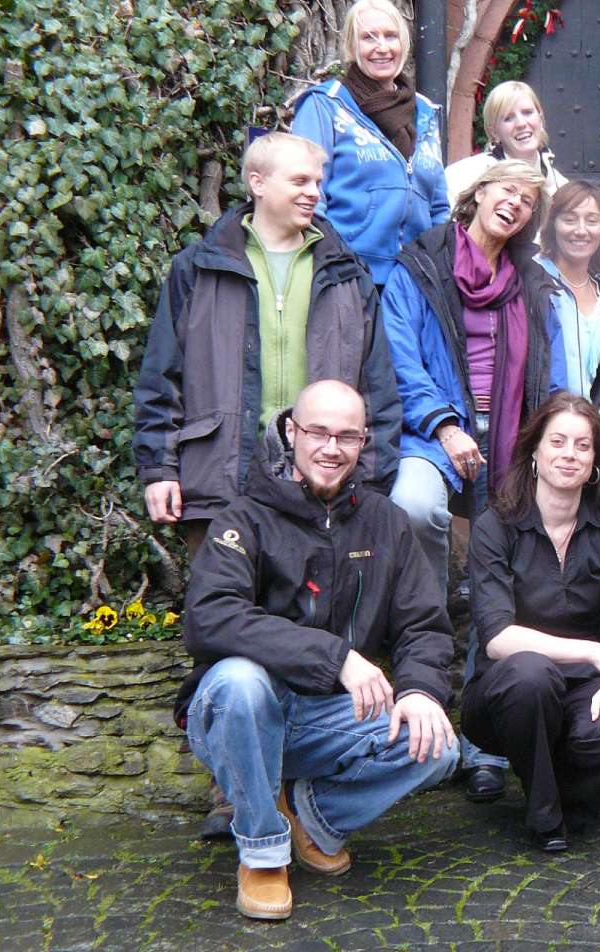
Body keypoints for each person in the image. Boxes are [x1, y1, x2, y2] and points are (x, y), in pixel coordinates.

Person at [135, 132, 403, 840]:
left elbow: (377, 383)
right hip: (221, 472)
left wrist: (371, 478)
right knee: (230, 634)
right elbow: (161, 374)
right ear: (256, 183)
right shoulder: (200, 266)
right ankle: (235, 790)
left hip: (325, 472)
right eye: (301, 180)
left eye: (319, 180)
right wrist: (159, 467)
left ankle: (301, 774)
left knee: (318, 621)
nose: (315, 191)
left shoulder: (344, 270)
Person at [176, 380, 457, 921]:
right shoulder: (243, 517)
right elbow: (210, 617)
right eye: (318, 433)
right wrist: (337, 657)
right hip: (239, 716)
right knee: (240, 681)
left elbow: (423, 624)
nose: (332, 448)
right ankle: (262, 851)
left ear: (363, 441)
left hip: (324, 720)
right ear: (291, 432)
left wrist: (421, 690)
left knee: (437, 743)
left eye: (347, 436)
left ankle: (310, 815)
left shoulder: (386, 522)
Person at [383, 159, 556, 801]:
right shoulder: (421, 264)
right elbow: (400, 355)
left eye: (527, 199)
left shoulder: (530, 280)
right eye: (507, 190)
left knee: (497, 575)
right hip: (431, 432)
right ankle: (426, 616)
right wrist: (444, 424)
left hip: (509, 441)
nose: (515, 203)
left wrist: (546, 441)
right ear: (477, 192)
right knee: (414, 505)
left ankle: (485, 744)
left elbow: (549, 370)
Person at [461, 394, 600, 851]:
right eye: (558, 442)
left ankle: (567, 787)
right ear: (535, 452)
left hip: (585, 683)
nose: (570, 454)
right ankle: (544, 813)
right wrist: (596, 653)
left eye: (583, 446)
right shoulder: (495, 525)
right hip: (507, 689)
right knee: (532, 673)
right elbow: (497, 637)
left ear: (595, 460)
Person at [290, 0, 449, 287]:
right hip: (347, 274)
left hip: (417, 279)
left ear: (404, 44)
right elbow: (306, 195)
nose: (382, 47)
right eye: (368, 37)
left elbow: (438, 207)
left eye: (391, 36)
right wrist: (330, 262)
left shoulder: (425, 112)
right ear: (351, 46)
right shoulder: (326, 105)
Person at [536, 182, 600, 406]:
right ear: (552, 224)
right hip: (542, 417)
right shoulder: (533, 279)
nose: (581, 230)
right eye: (569, 219)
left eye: (592, 221)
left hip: (588, 418)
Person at [446, 80, 569, 208]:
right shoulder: (462, 176)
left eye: (527, 112)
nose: (521, 123)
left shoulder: (562, 187)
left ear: (540, 119)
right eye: (508, 118)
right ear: (494, 132)